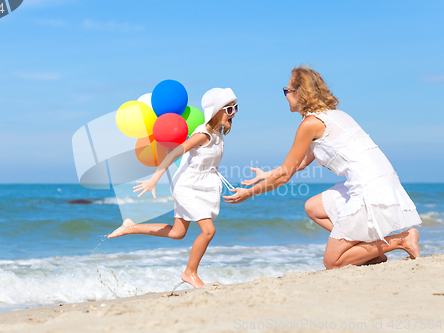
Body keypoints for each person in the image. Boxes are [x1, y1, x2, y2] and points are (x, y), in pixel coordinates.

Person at [223, 66, 422, 269]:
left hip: (370, 190)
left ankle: (400, 241)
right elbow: (299, 163)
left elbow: (285, 175)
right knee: (314, 207)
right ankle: (368, 253)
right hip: (382, 182)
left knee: (332, 262)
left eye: (287, 90)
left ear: (300, 93)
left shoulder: (311, 123)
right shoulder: (335, 115)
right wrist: (266, 174)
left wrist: (248, 193)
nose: (285, 96)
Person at [108, 88, 238, 287]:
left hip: (202, 184)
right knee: (208, 231)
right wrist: (154, 179)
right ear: (216, 111)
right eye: (229, 109)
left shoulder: (218, 135)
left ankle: (130, 227)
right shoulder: (203, 134)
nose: (234, 112)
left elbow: (206, 163)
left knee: (178, 233)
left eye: (235, 108)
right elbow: (174, 153)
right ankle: (190, 273)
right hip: (187, 186)